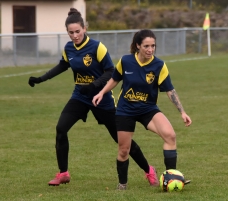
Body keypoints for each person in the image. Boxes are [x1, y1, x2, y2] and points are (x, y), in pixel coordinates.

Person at [28, 8, 159, 187]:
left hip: (102, 98)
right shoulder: (68, 48)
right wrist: (41, 79)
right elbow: (62, 66)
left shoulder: (97, 47)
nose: (74, 36)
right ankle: (63, 173)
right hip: (80, 97)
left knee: (121, 141)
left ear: (85, 28)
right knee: (61, 129)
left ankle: (149, 170)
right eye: (70, 32)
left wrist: (94, 86)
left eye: (77, 31)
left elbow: (111, 71)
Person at [92, 29, 192, 190]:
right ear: (138, 46)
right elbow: (114, 79)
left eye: (153, 46)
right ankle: (122, 184)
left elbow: (170, 90)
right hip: (125, 111)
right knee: (124, 150)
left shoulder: (159, 65)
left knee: (170, 135)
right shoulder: (125, 61)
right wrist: (101, 93)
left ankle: (170, 177)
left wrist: (182, 112)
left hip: (148, 109)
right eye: (146, 46)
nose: (150, 49)